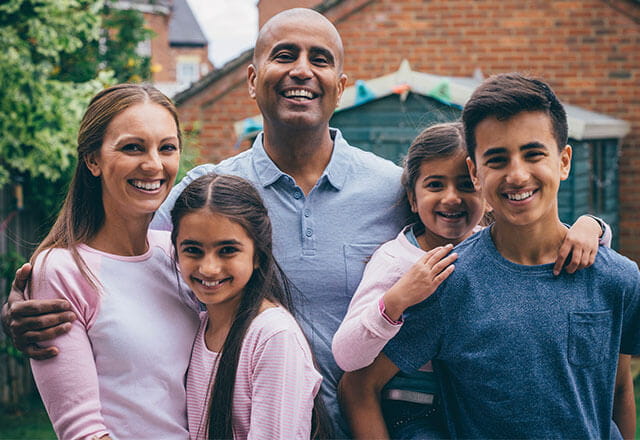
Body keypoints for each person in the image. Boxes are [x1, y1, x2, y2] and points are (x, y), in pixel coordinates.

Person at [1, 9, 614, 438]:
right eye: (283, 55)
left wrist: (588, 228)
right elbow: (127, 265)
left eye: (320, 59)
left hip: (374, 427)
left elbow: (484, 228)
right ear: (250, 78)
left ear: (341, 85)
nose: (301, 69)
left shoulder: (391, 188)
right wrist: (32, 289)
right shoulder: (206, 194)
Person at [341, 73, 638, 439]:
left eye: (533, 154)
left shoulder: (618, 279)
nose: (517, 175)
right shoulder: (449, 285)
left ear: (563, 161)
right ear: (475, 172)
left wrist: (593, 225)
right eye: (497, 159)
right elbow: (357, 387)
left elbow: (620, 391)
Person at [23, 83, 200, 439]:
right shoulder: (62, 271)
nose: (153, 165)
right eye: (133, 147)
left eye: (167, 148)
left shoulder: (181, 255)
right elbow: (81, 431)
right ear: (93, 159)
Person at [171, 173, 328, 439]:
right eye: (193, 250)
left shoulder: (273, 336)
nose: (209, 268)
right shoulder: (198, 325)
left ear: (258, 254)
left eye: (227, 250)